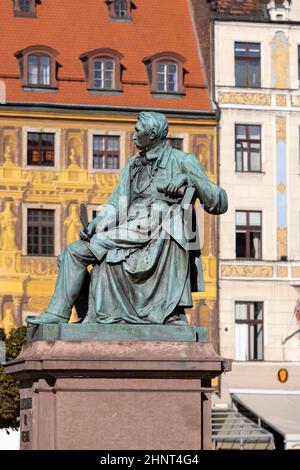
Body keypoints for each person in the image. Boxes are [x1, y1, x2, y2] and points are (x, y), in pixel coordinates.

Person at [26, 112, 227, 325]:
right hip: (132, 228)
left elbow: (219, 202)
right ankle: (81, 316)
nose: (133, 136)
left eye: (137, 131)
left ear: (151, 134)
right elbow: (116, 203)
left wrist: (190, 180)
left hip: (156, 230)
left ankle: (70, 316)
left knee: (93, 246)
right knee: (71, 252)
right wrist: (97, 222)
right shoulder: (133, 165)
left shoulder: (182, 161)